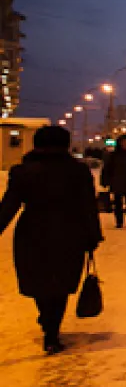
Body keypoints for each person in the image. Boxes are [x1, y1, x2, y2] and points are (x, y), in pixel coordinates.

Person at [0, 125, 104, 354]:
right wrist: (93, 235)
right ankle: (51, 332)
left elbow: (9, 205)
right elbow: (88, 206)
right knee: (62, 282)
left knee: (38, 280)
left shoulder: (23, 171)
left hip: (32, 231)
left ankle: (46, 318)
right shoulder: (78, 171)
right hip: (71, 231)